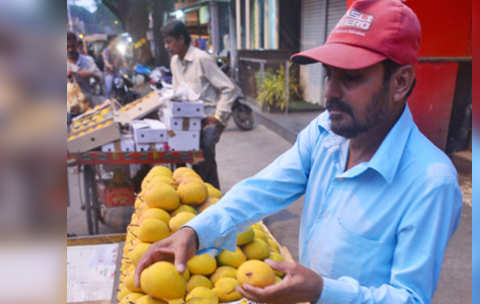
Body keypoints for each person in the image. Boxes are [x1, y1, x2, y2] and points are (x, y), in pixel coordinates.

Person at [135, 1, 462, 303]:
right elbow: (261, 190)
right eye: (328, 75)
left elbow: (410, 298)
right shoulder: (325, 133)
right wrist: (194, 232)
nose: (330, 93)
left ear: (401, 82)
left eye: (350, 78)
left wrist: (323, 290)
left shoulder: (430, 182)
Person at [161, 21, 239, 189]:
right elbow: (178, 92)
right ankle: (192, 195)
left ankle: (211, 198)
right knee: (180, 159)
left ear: (181, 39)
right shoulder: (174, 62)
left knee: (203, 157)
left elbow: (229, 88)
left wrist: (219, 117)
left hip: (208, 118)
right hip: (188, 119)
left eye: (169, 41)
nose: (167, 46)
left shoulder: (201, 58)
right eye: (165, 42)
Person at [67, 32, 102, 105]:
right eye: (67, 47)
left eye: (72, 46)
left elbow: (101, 78)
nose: (70, 49)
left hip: (88, 104)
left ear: (77, 45)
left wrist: (91, 74)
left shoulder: (88, 60)